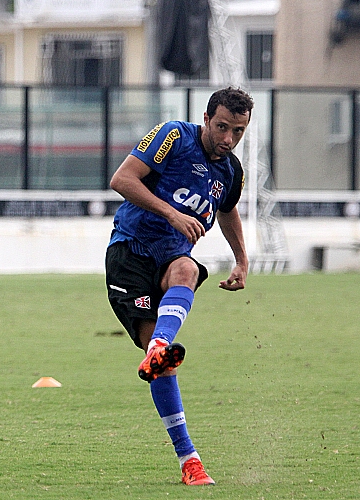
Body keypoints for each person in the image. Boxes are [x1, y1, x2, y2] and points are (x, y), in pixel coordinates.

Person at [105, 86, 253, 486]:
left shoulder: (231, 171)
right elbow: (122, 179)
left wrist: (241, 260)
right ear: (206, 119)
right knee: (163, 366)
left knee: (186, 270)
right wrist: (171, 213)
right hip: (130, 254)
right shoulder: (173, 136)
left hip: (172, 257)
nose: (228, 138)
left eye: (238, 131)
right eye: (222, 127)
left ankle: (192, 464)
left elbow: (227, 211)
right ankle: (187, 455)